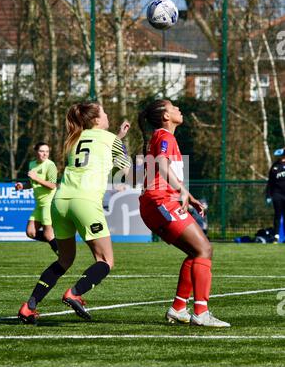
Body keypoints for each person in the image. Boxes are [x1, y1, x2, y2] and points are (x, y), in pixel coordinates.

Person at [18, 102, 131, 324]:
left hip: (60, 201)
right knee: (105, 260)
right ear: (97, 119)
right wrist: (121, 144)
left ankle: (28, 306)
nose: (108, 115)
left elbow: (96, 150)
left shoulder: (74, 139)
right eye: (105, 112)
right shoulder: (111, 140)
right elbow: (124, 171)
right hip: (85, 202)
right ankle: (75, 293)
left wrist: (117, 138)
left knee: (64, 260)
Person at [138, 99, 230, 328]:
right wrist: (182, 191)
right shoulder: (165, 136)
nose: (180, 109)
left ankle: (179, 308)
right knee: (204, 249)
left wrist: (187, 196)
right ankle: (201, 312)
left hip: (161, 203)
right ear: (166, 116)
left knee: (196, 252)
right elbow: (160, 162)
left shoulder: (164, 137)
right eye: (174, 107)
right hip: (160, 203)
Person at [15, 142, 58, 255]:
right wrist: (23, 186)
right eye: (42, 151)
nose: (45, 154)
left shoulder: (50, 165)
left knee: (48, 234)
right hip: (39, 204)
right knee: (31, 233)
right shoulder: (32, 164)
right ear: (36, 152)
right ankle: (59, 243)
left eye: (47, 151)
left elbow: (53, 185)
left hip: (49, 203)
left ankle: (63, 255)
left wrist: (36, 178)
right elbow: (31, 182)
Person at [266, 148, 285, 242]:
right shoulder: (275, 167)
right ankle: (276, 235)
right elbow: (270, 182)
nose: (280, 157)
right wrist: (268, 195)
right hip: (277, 195)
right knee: (277, 215)